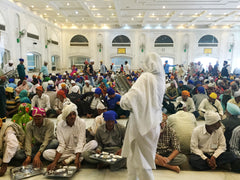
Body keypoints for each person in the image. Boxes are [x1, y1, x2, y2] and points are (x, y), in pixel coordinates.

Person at [120, 52, 165, 180]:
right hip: (152, 123)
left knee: (142, 162)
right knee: (135, 159)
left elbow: (129, 100)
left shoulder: (146, 77)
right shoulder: (160, 79)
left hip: (142, 124)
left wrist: (122, 98)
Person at [43, 103, 97, 170]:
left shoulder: (81, 123)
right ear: (65, 117)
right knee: (46, 153)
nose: (73, 117)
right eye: (70, 115)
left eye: (74, 114)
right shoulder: (60, 125)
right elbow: (62, 145)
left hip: (81, 149)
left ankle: (73, 158)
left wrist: (76, 158)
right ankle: (74, 157)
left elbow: (81, 142)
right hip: (66, 151)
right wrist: (55, 162)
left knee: (94, 143)